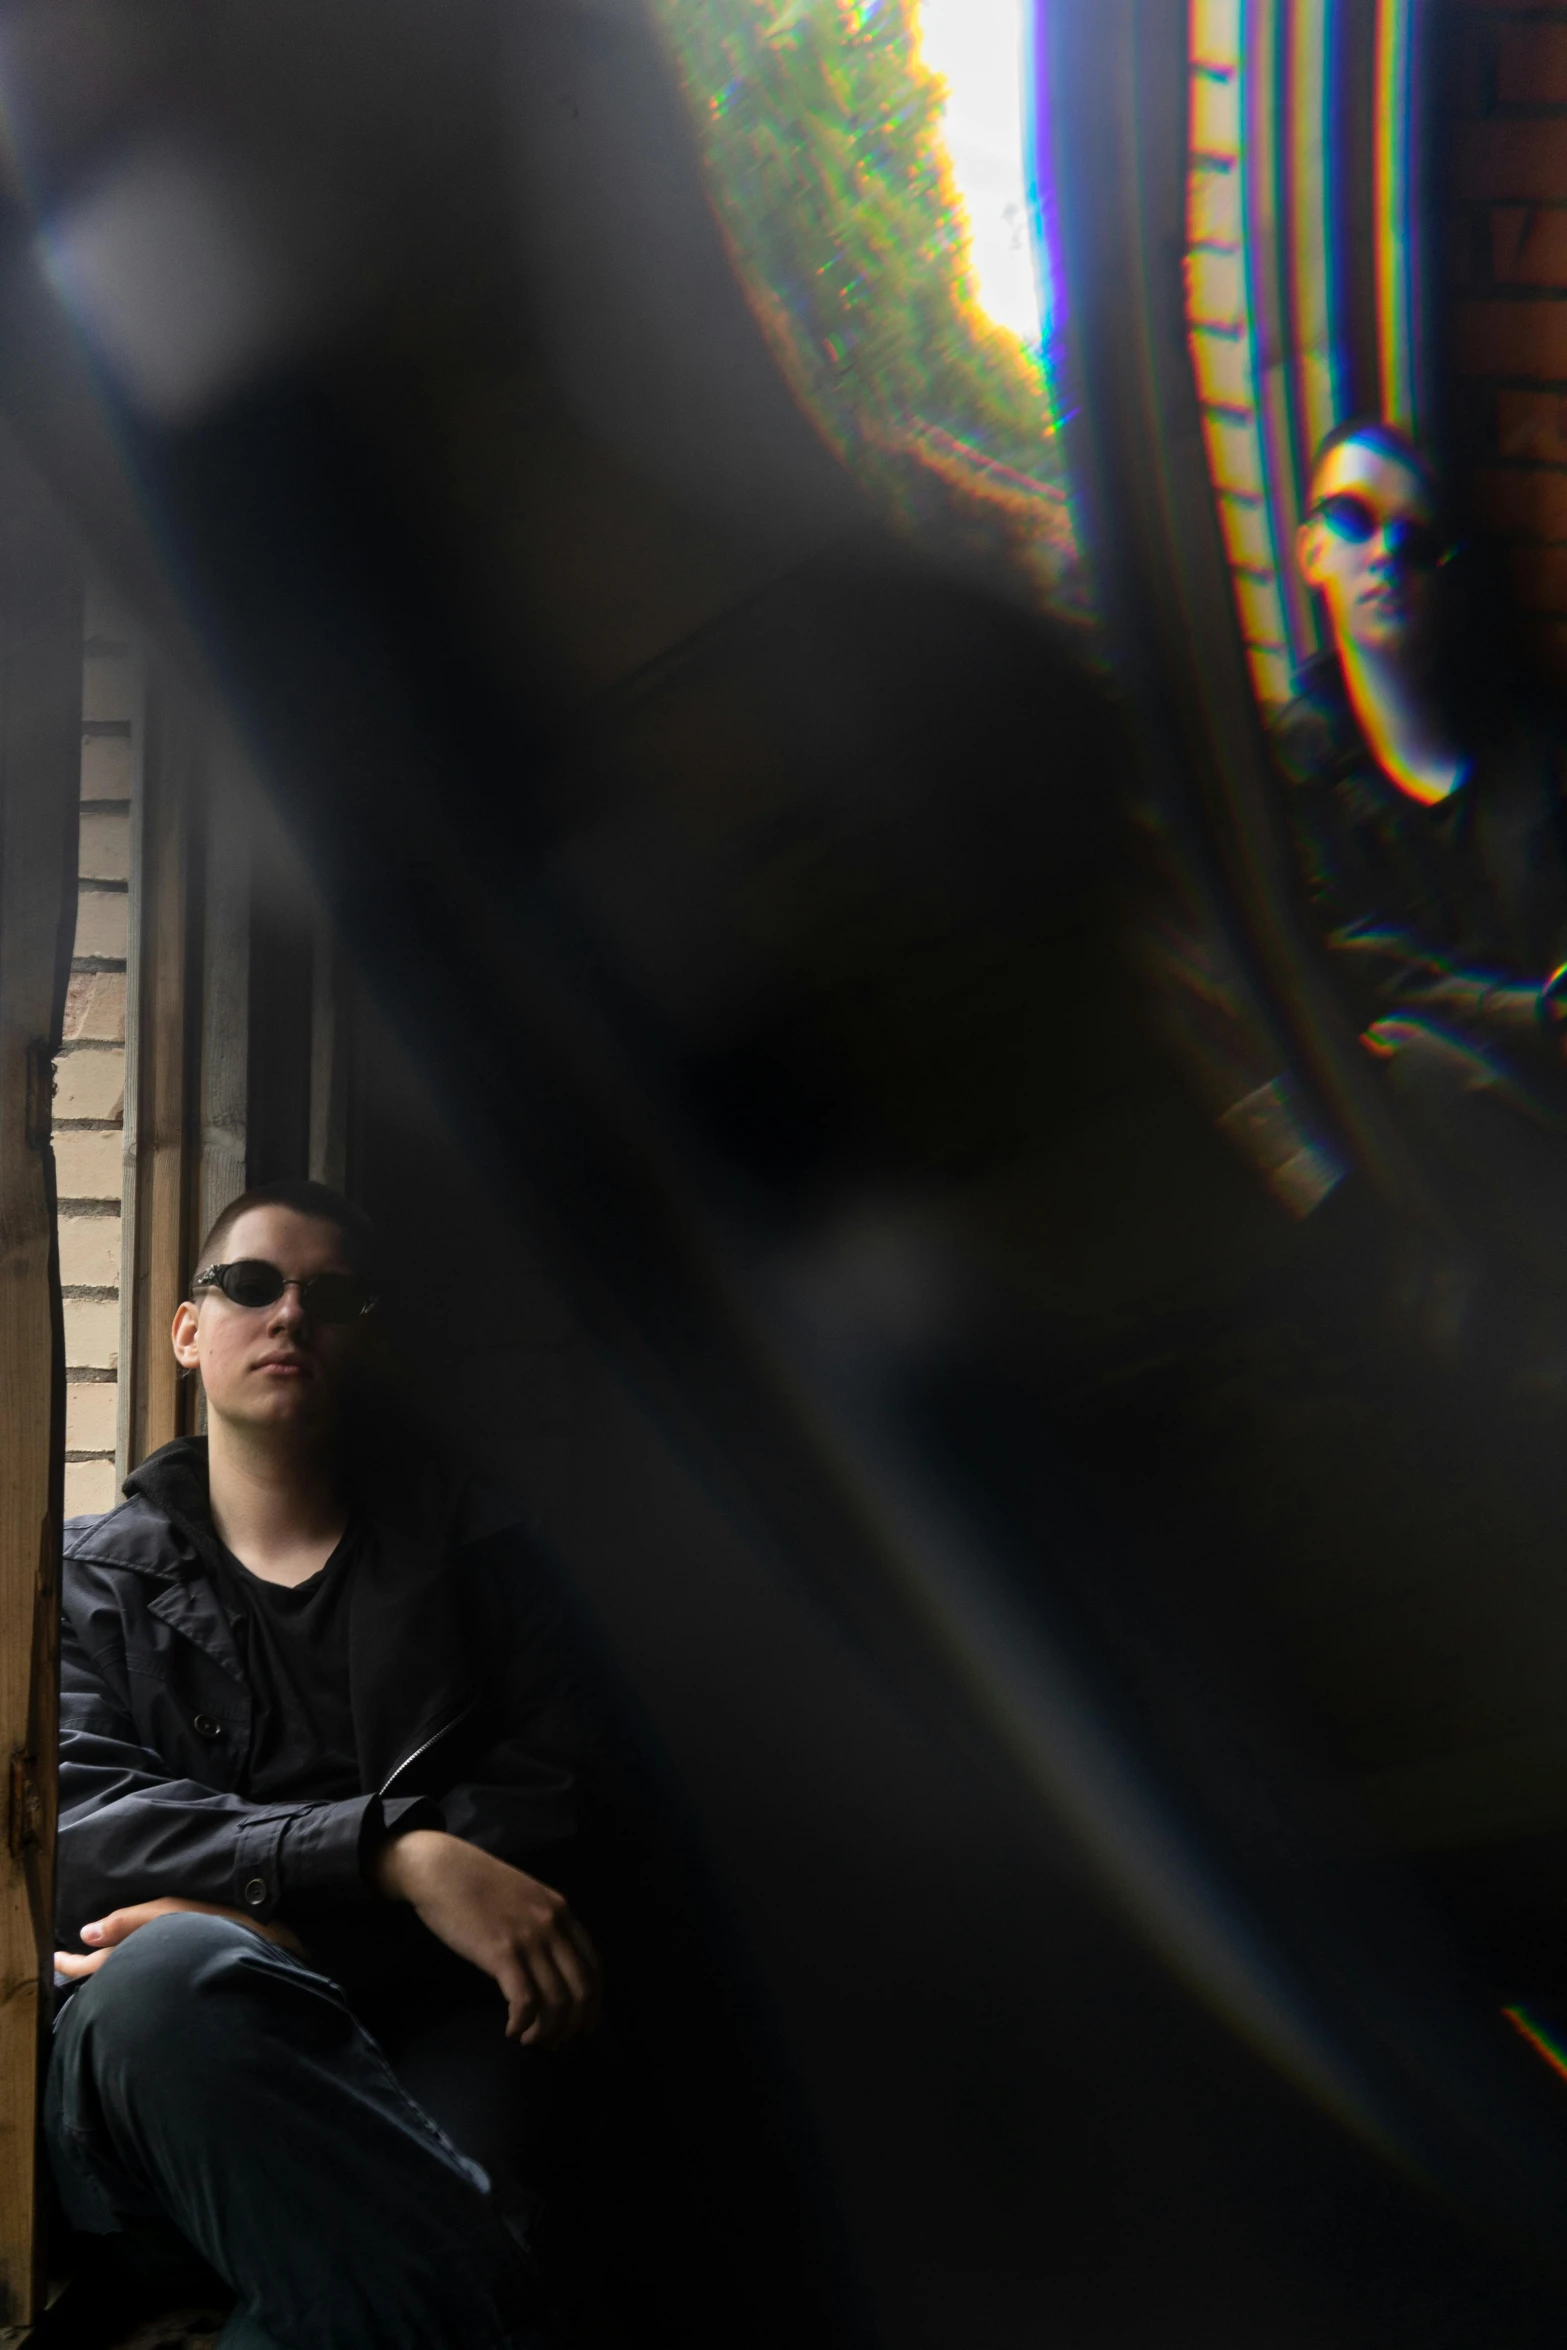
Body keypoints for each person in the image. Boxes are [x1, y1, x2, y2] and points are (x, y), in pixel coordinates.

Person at [44, 1178, 602, 2350]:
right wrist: (389, 1858)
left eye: (331, 1295)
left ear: (370, 1338)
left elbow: (544, 1837)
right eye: (251, 1284)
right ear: (189, 1330)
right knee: (177, 1972)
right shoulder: (83, 1578)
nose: (289, 1315)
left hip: (423, 2047)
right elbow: (78, 1826)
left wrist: (289, 1923)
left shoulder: (494, 1569)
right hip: (170, 2080)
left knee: (438, 2251)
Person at [1271, 417, 1567, 1291]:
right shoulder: (1294, 774)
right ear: (1310, 553)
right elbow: (1355, 969)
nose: (1386, 555)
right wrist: (1537, 1015)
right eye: (1354, 520)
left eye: (1416, 536)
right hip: (1482, 1207)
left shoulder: (1527, 740)